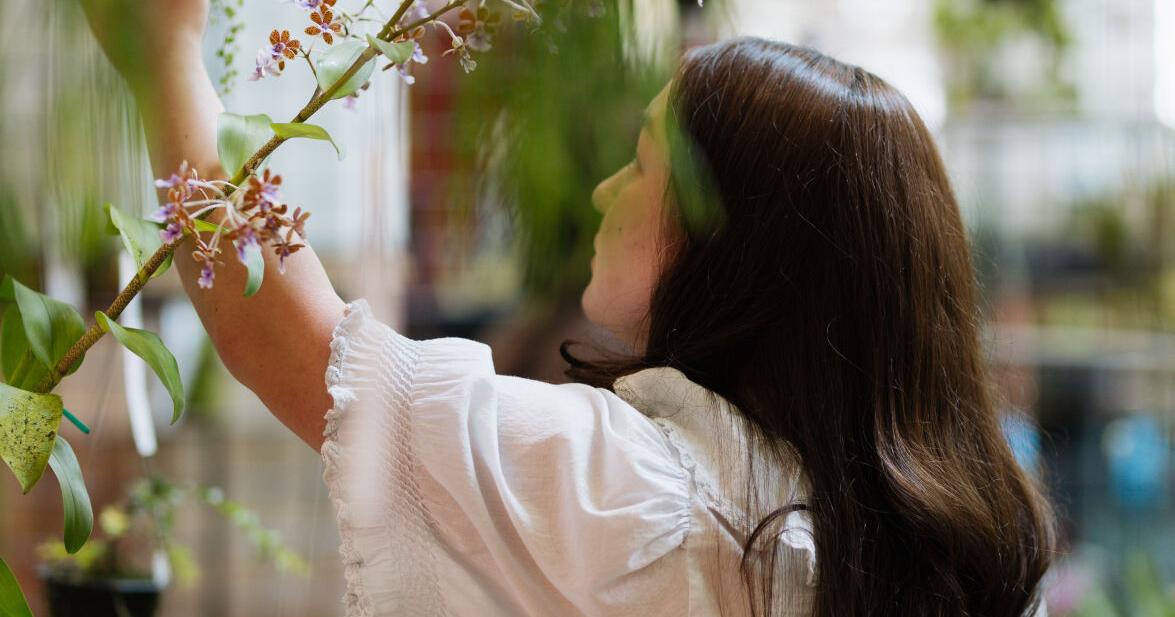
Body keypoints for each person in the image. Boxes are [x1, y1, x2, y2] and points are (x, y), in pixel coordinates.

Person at [83, 1, 1056, 615]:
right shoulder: (937, 547)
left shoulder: (647, 497)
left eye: (638, 163)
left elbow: (289, 335)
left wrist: (163, 52)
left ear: (731, 241)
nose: (602, 191)